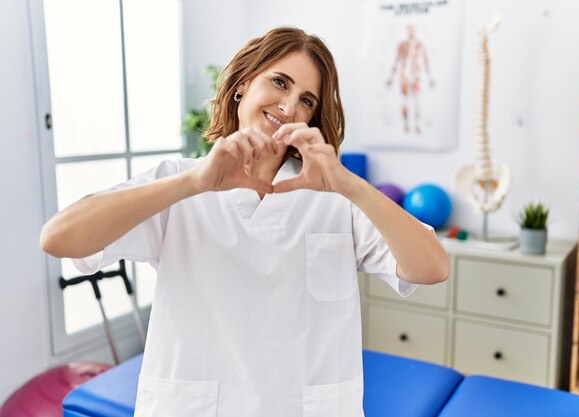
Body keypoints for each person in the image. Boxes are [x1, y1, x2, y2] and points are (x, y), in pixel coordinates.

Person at [40, 27, 448, 417]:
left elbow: (432, 268)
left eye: (307, 100)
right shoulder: (178, 181)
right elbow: (60, 238)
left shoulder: (334, 197)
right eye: (280, 83)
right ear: (241, 84)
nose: (289, 107)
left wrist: (350, 185)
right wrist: (194, 182)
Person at [386, 24, 435, 135]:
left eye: (413, 30)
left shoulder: (419, 45)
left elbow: (426, 61)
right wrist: (391, 78)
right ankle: (406, 125)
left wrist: (430, 78)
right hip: (404, 76)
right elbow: (396, 61)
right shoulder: (402, 45)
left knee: (416, 101)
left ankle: (417, 124)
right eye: (409, 30)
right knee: (405, 101)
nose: (411, 33)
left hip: (415, 76)